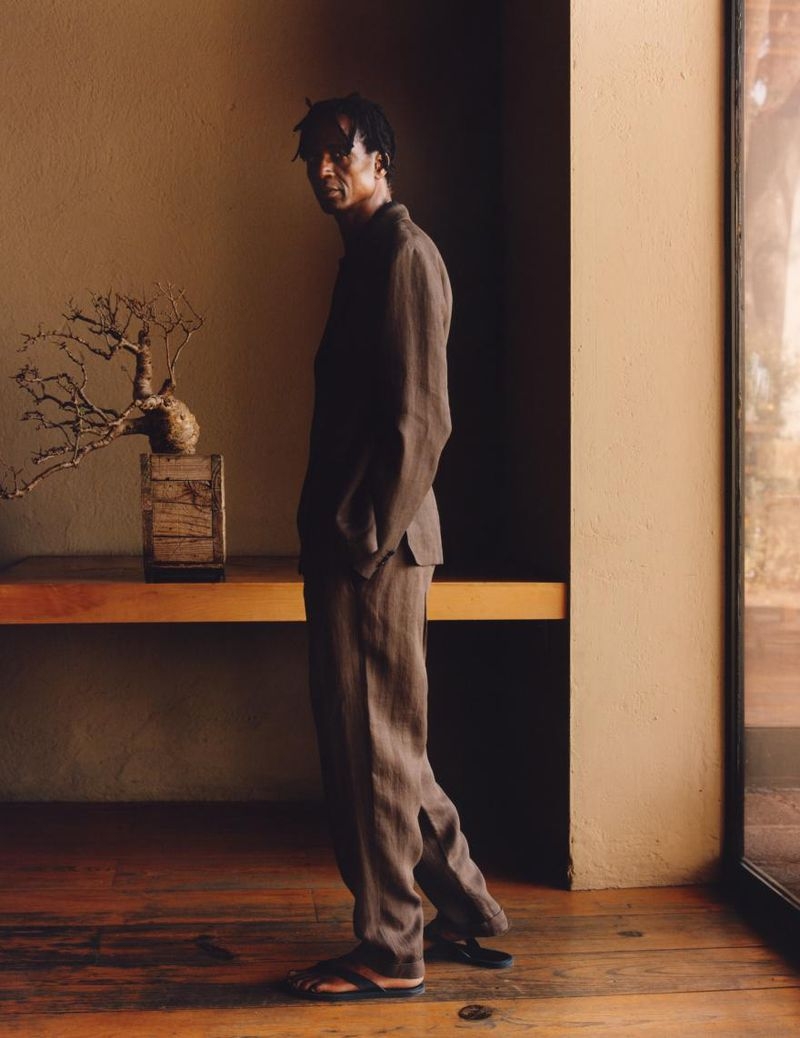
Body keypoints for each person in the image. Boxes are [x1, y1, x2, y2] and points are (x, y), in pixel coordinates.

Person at [285, 93, 511, 1003]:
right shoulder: (369, 255)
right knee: (391, 744)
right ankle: (466, 910)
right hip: (365, 541)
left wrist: (366, 534)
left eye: (338, 154)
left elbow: (425, 419)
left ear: (379, 159)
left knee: (371, 747)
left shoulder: (405, 255)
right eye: (312, 158)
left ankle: (391, 948)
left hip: (376, 547)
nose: (322, 171)